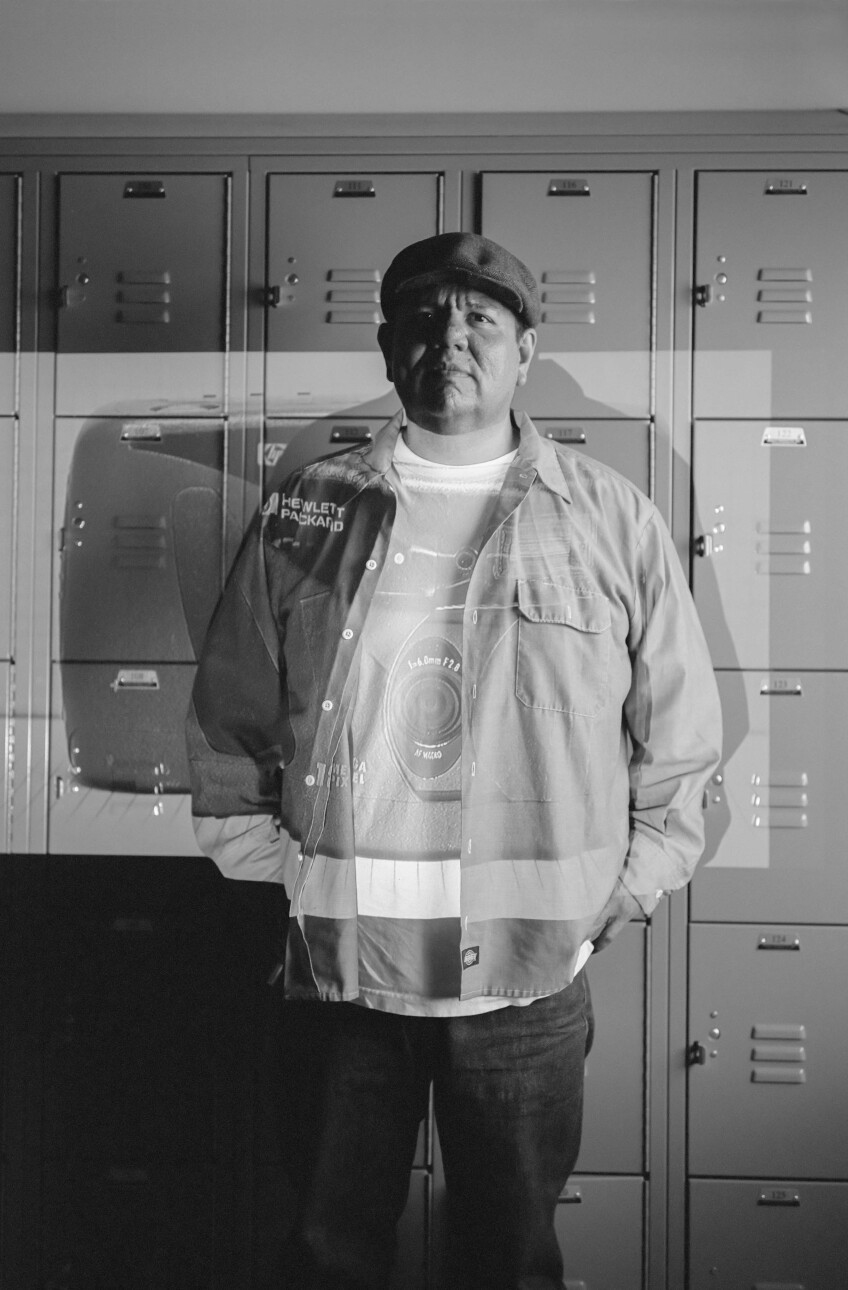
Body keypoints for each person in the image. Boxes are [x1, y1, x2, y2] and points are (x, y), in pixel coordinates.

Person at [187, 232, 722, 1290]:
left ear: (526, 351)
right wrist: (284, 876)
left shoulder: (610, 520)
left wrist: (631, 881)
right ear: (388, 349)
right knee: (327, 1250)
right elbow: (229, 719)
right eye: (425, 317)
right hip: (345, 976)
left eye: (481, 319)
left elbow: (678, 738)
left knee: (511, 1259)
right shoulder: (306, 514)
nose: (452, 338)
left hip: (527, 982)